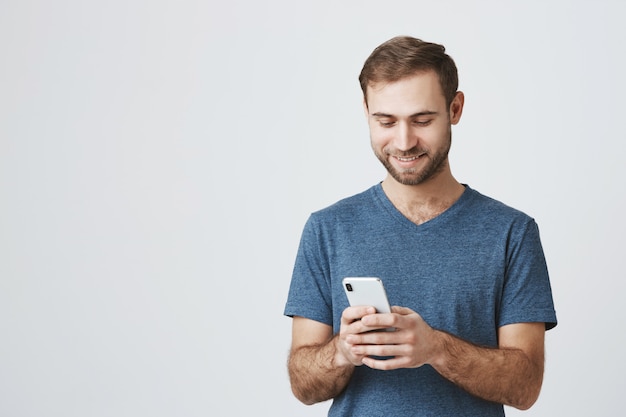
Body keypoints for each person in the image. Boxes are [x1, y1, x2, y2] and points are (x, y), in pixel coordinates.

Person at [284, 36, 557, 417]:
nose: (404, 140)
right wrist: (343, 351)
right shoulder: (327, 229)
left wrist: (436, 349)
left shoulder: (512, 233)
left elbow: (525, 387)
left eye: (422, 120)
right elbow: (303, 385)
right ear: (366, 111)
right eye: (386, 121)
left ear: (455, 108)